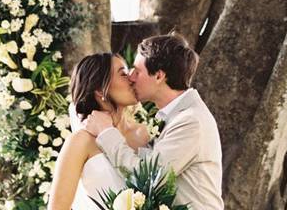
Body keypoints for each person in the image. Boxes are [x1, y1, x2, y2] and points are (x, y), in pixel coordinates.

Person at [83, 33, 224, 210]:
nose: (131, 78)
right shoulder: (174, 116)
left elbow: (149, 177)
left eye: (137, 71)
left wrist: (106, 132)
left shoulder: (190, 121)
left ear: (158, 76)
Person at [47, 53, 151, 210]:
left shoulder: (142, 134)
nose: (131, 78)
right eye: (123, 73)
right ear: (101, 91)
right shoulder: (81, 141)